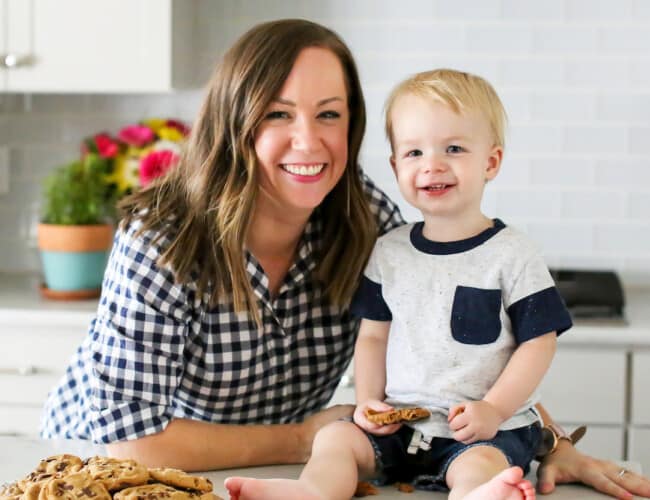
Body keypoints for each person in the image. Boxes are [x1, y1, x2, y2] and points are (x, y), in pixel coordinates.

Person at [40, 18, 650, 500]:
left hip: (283, 472)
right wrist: (307, 437)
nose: (309, 141)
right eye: (278, 113)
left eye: (329, 114)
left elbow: (467, 351)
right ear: (234, 122)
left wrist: (547, 441)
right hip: (97, 476)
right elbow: (128, 446)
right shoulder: (162, 240)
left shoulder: (366, 223)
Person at [224, 68, 571, 500]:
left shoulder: (512, 254)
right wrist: (370, 400)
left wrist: (494, 409)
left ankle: (477, 495)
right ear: (395, 166)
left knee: (480, 467)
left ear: (491, 162)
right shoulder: (389, 251)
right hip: (402, 430)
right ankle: (312, 491)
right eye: (414, 153)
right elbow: (373, 337)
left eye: (455, 148)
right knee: (334, 439)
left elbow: (539, 343)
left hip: (482, 432)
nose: (432, 165)